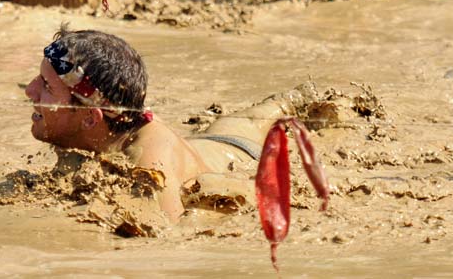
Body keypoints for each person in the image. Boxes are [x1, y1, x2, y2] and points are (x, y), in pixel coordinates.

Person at [25, 26, 277, 222]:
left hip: (240, 152)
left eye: (47, 86)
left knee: (280, 111)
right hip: (205, 143)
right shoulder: (108, 126)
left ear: (91, 117)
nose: (29, 90)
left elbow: (174, 239)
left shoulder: (149, 169)